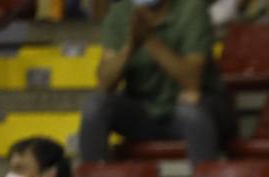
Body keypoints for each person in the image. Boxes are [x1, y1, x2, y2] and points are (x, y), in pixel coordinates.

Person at [80, 0, 234, 165]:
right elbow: (104, 85)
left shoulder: (192, 9)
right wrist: (130, 47)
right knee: (95, 106)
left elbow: (191, 81)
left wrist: (150, 40)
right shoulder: (120, 13)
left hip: (194, 107)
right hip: (143, 111)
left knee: (192, 113)